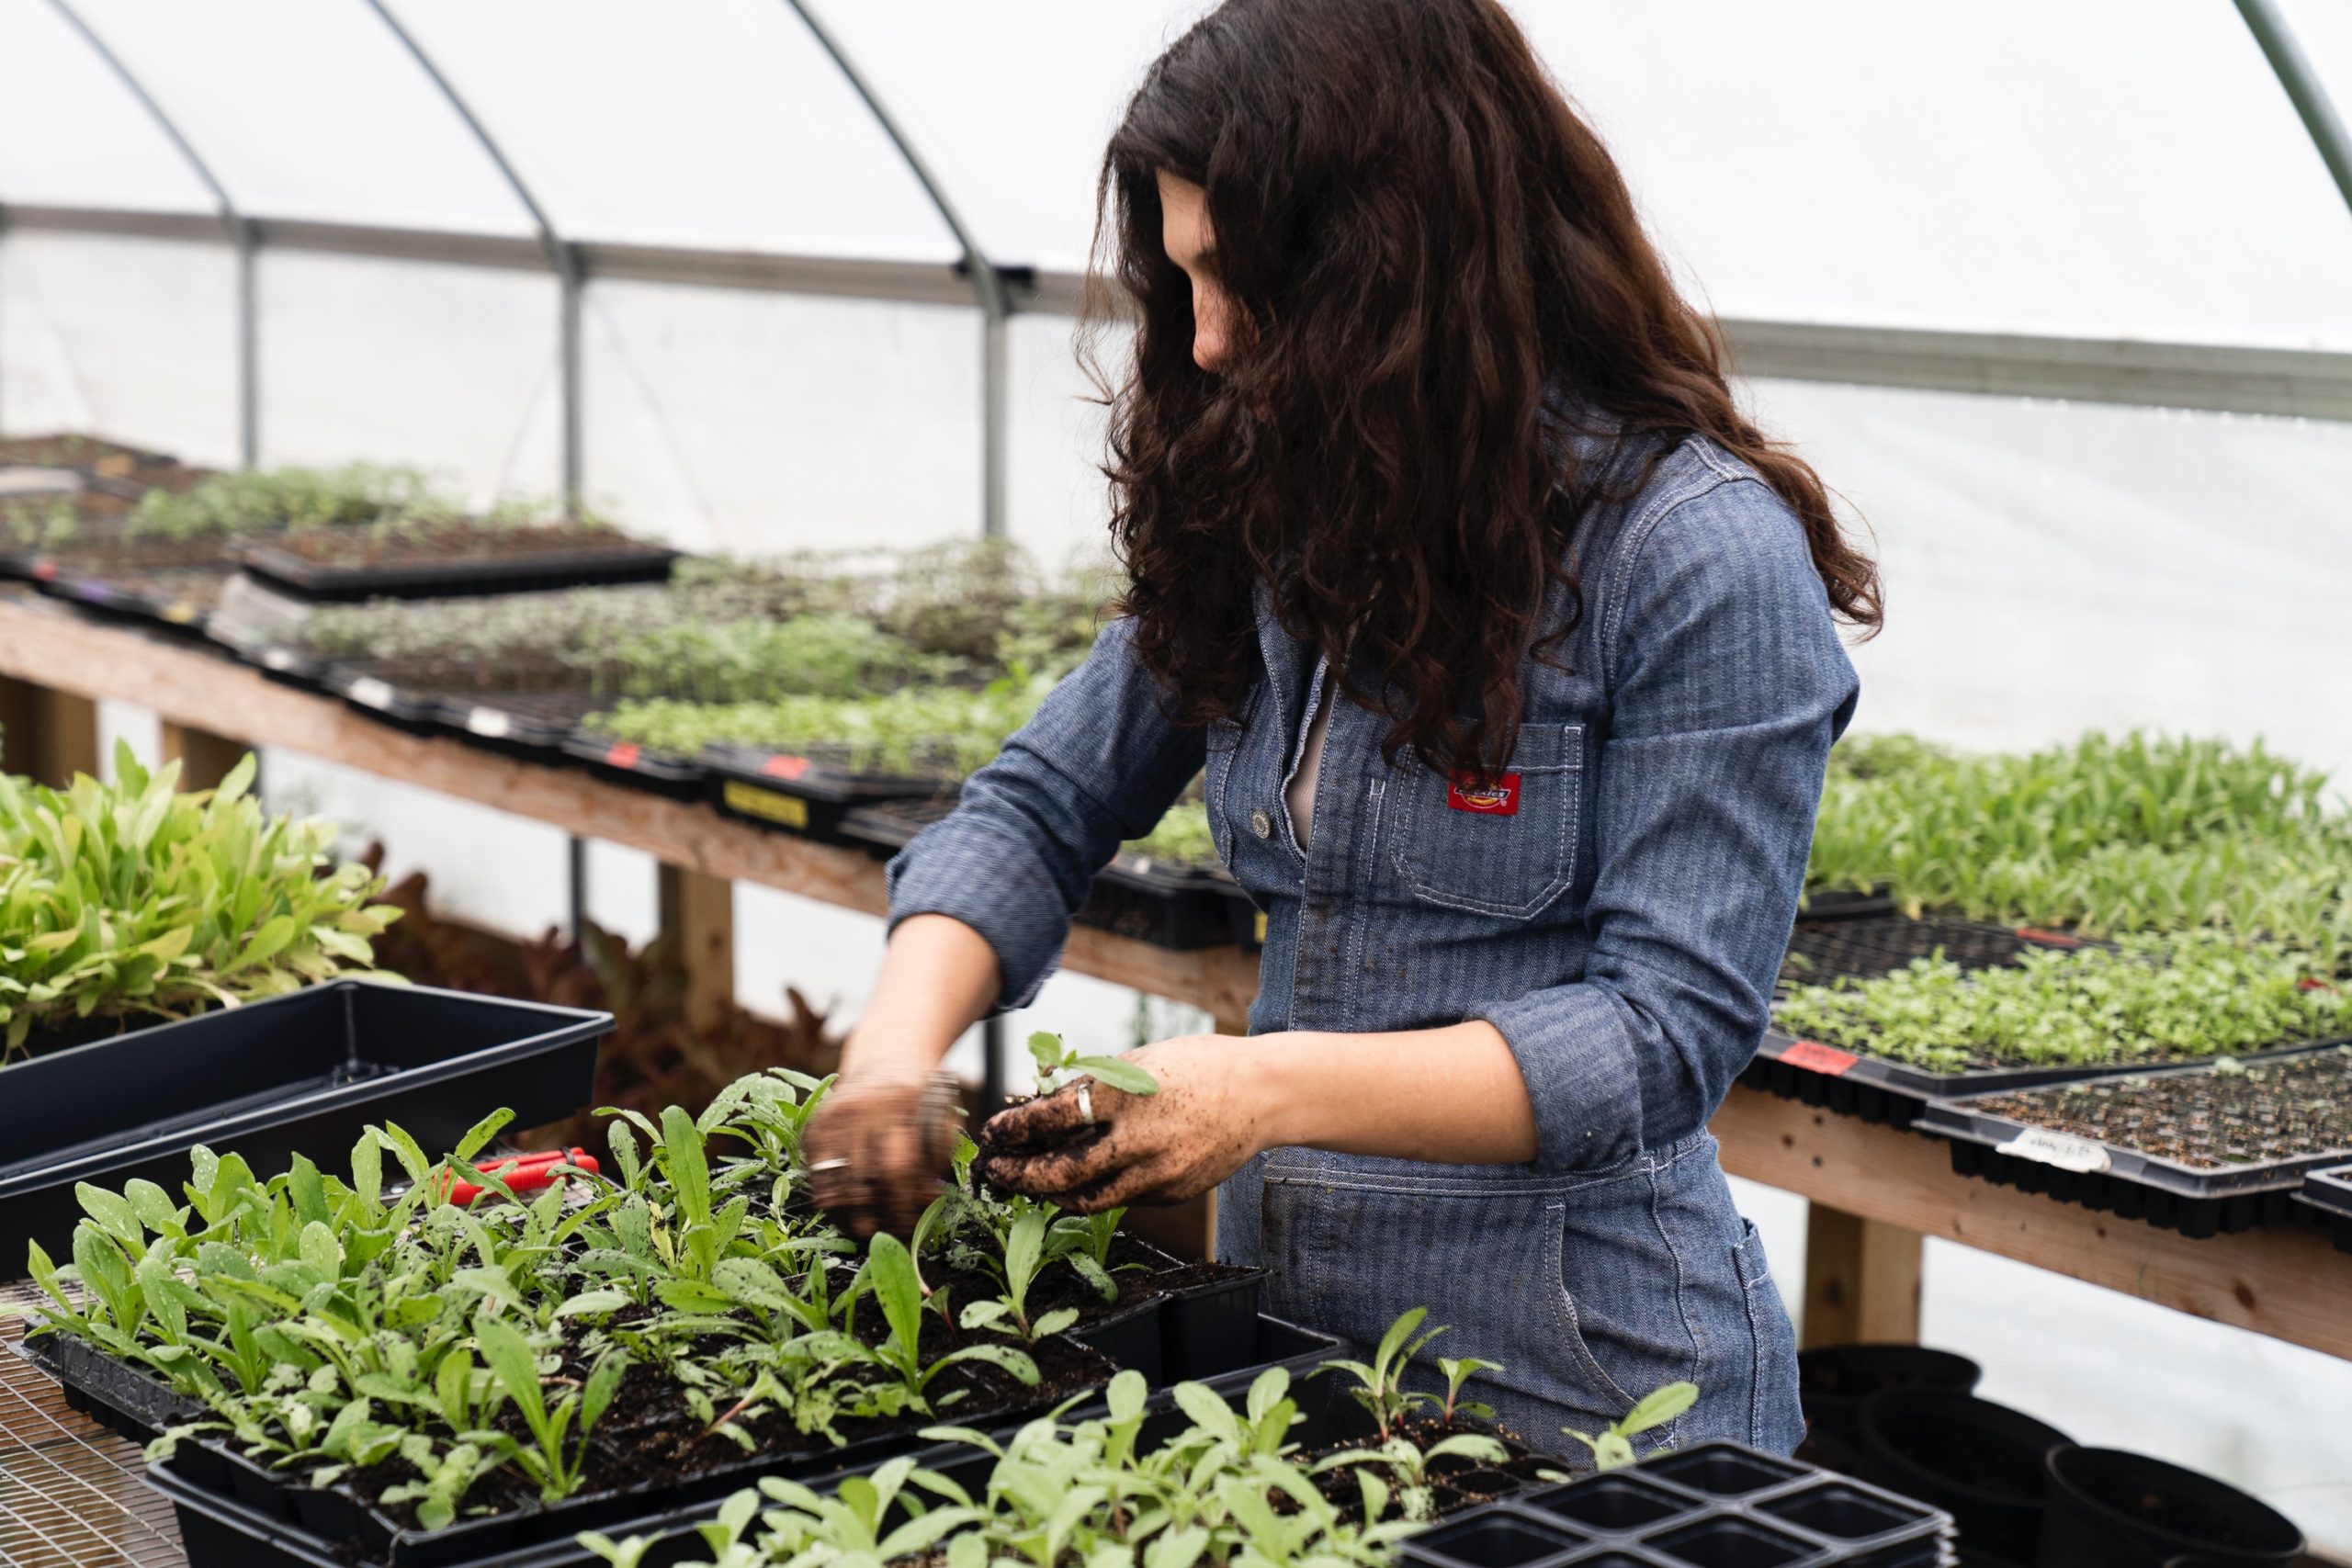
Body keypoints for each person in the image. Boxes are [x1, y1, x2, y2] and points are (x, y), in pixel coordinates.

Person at [804, 0, 1878, 1454]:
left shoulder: (1692, 558)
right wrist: (890, 1057)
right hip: (1295, 1363)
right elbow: (1040, 804)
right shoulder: (1289, 512)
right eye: (1184, 280)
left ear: (1401, 259)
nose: (1211, 336)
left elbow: (1660, 1034)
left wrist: (1258, 1089)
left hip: (1588, 1389)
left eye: (1243, 280)